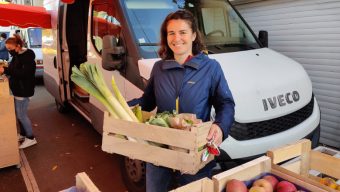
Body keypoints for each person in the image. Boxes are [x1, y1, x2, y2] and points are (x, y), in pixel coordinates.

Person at [128, 10, 235, 191]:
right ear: (166, 37)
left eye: (183, 32)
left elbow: (226, 103)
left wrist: (220, 126)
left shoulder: (210, 68)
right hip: (160, 147)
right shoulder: (159, 68)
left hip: (195, 149)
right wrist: (125, 107)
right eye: (171, 33)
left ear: (194, 35)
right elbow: (147, 102)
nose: (177, 38)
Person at [0, 34, 37, 149]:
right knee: (19, 114)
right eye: (8, 49)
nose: (9, 51)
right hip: (18, 89)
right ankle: (22, 134)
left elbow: (24, 74)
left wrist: (6, 70)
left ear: (18, 46)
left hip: (23, 90)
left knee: (21, 115)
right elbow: (12, 69)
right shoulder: (17, 55)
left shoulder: (27, 57)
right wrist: (6, 71)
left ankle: (31, 138)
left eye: (10, 49)